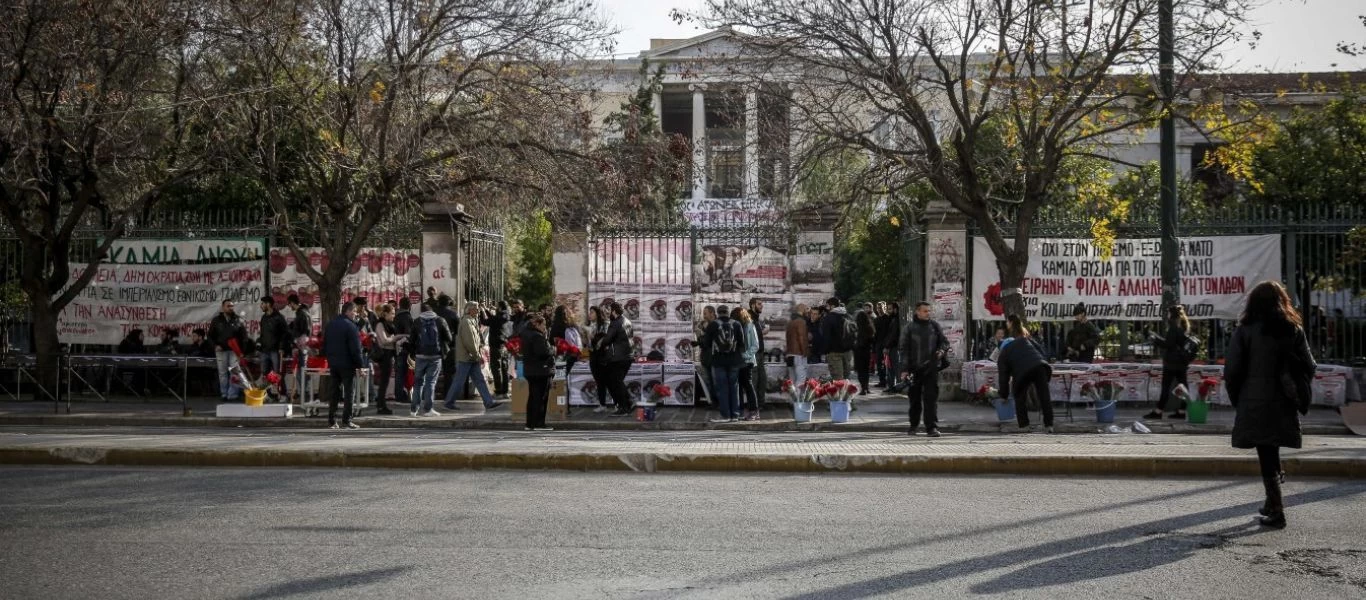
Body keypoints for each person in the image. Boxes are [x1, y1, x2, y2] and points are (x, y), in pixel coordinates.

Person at [1225, 281, 1317, 529]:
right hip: (1283, 400)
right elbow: (1310, 365)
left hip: (1254, 399)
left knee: (1265, 451)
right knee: (1271, 448)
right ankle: (1270, 502)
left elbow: (1232, 370)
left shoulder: (1245, 330)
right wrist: (1295, 387)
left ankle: (1277, 510)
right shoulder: (1293, 329)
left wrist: (1238, 398)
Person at [998, 314, 1055, 433]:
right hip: (1040, 366)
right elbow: (1041, 352)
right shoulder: (1025, 340)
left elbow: (1003, 377)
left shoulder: (1004, 353)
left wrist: (1003, 395)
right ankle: (1049, 425)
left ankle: (1024, 425)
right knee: (1044, 396)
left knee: (1019, 396)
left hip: (1023, 372)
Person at [899, 301, 949, 437]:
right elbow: (903, 350)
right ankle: (913, 426)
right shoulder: (909, 328)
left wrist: (941, 351)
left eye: (929, 311)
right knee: (914, 399)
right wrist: (904, 369)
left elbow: (944, 342)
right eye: (925, 311)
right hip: (914, 370)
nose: (928, 313)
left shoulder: (934, 326)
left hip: (931, 368)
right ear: (918, 312)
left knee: (931, 399)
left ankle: (931, 427)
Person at [445, 301, 499, 411]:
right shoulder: (466, 322)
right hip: (467, 357)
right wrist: (477, 354)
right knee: (459, 381)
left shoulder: (472, 321)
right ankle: (449, 402)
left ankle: (488, 402)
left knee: (479, 380)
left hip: (472, 357)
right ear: (469, 310)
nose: (478, 310)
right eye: (475, 308)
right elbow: (469, 342)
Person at [322, 302, 366, 429]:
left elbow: (325, 345)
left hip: (333, 364)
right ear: (348, 311)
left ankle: (332, 420)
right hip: (347, 364)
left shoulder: (331, 325)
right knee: (349, 392)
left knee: (334, 392)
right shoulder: (350, 327)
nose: (356, 314)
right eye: (354, 311)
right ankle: (346, 420)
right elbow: (356, 349)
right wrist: (360, 366)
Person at [1146, 305, 1194, 420]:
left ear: (1171, 315)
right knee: (1183, 387)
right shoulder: (1184, 326)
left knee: (1166, 387)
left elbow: (1169, 344)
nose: (1167, 315)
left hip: (1172, 363)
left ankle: (1158, 411)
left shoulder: (1173, 327)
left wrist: (1155, 339)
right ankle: (1182, 411)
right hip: (1182, 363)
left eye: (1168, 313)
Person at [703, 305, 744, 422]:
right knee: (734, 387)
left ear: (717, 313)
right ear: (728, 312)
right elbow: (742, 343)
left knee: (722, 388)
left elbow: (706, 344)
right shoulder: (737, 324)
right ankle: (735, 414)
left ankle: (725, 415)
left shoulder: (713, 325)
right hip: (734, 361)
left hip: (719, 361)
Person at [411, 301, 452, 417]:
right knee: (431, 382)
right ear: (432, 310)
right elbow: (449, 338)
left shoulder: (417, 321)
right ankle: (428, 410)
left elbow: (412, 340)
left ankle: (414, 410)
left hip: (420, 356)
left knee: (418, 383)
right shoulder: (440, 320)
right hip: (435, 356)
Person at [520, 313, 556, 431]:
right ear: (537, 324)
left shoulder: (526, 334)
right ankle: (538, 423)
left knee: (533, 397)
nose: (545, 327)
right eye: (543, 325)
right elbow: (543, 352)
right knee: (540, 398)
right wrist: (552, 349)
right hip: (540, 371)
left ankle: (530, 423)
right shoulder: (537, 336)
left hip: (531, 370)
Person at [208, 300, 248, 402]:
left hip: (234, 351)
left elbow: (244, 336)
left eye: (232, 306)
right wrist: (215, 346)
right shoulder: (216, 320)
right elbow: (210, 336)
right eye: (228, 306)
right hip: (220, 351)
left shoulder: (237, 319)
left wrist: (242, 351)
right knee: (222, 373)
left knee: (234, 373)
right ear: (223, 308)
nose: (231, 308)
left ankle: (232, 395)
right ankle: (224, 393)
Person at [602, 302, 636, 416]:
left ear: (614, 311)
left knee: (615, 382)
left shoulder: (615, 323)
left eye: (610, 311)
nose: (608, 313)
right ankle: (628, 404)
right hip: (628, 356)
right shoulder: (627, 321)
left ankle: (624, 407)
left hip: (618, 358)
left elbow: (607, 340)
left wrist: (601, 341)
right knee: (618, 382)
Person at [257, 297, 291, 402]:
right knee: (265, 373)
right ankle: (268, 394)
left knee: (277, 373)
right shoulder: (263, 318)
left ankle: (282, 394)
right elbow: (262, 334)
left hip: (275, 350)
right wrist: (259, 343)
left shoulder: (279, 318)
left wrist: (281, 347)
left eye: (263, 303)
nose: (261, 305)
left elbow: (285, 334)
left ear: (268, 304)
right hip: (264, 350)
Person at [370, 304, 399, 415]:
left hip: (389, 354)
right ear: (385, 313)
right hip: (384, 355)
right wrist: (396, 338)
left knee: (385, 381)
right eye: (392, 313)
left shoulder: (388, 325)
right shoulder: (380, 324)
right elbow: (384, 341)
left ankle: (382, 404)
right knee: (384, 381)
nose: (393, 316)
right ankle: (381, 405)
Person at [286, 294, 313, 402]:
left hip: (302, 345)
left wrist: (298, 343)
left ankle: (303, 395)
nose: (289, 306)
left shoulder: (302, 314)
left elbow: (305, 331)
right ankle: (303, 394)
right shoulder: (302, 313)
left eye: (289, 304)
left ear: (293, 303)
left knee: (302, 370)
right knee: (301, 370)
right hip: (302, 345)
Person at [483, 301, 513, 398]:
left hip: (496, 345)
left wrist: (482, 311)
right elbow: (493, 319)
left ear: (499, 307)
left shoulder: (499, 317)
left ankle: (499, 390)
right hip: (504, 344)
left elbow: (486, 322)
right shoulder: (506, 316)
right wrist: (487, 311)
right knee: (504, 368)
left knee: (496, 368)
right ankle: (505, 390)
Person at [820, 297, 855, 379]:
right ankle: (846, 392)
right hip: (848, 351)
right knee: (846, 379)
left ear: (832, 306)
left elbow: (826, 337)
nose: (826, 308)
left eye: (827, 306)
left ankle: (840, 392)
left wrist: (825, 351)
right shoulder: (848, 315)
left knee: (837, 379)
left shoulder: (828, 318)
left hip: (834, 352)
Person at [736, 308, 761, 421]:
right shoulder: (739, 326)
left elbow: (755, 345)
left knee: (748, 385)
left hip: (747, 360)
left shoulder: (750, 326)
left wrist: (745, 355)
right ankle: (742, 411)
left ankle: (754, 410)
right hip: (740, 361)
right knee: (740, 387)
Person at [587, 306, 612, 413]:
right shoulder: (590, 326)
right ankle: (602, 404)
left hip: (603, 357)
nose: (590, 314)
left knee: (608, 381)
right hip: (593, 356)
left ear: (597, 314)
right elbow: (589, 345)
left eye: (592, 312)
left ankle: (621, 402)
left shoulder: (605, 325)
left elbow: (606, 341)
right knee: (599, 381)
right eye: (589, 312)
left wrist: (595, 339)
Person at [392, 297, 414, 409]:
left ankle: (399, 394)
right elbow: (409, 334)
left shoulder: (396, 316)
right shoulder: (407, 317)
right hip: (404, 349)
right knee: (402, 372)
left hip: (396, 348)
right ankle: (400, 395)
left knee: (399, 372)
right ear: (409, 306)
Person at [694, 305, 718, 405]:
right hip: (706, 357)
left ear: (712, 313)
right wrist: (699, 335)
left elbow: (713, 341)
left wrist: (703, 333)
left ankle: (718, 402)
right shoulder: (703, 324)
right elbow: (703, 342)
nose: (703, 315)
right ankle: (712, 401)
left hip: (715, 358)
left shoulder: (716, 324)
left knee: (715, 381)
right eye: (703, 313)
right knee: (708, 381)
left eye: (705, 313)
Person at [551, 305, 583, 375]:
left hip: (560, 355)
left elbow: (552, 340)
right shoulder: (569, 325)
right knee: (571, 375)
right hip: (572, 354)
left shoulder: (554, 326)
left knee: (561, 376)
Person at [748, 298, 767, 405]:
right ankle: (753, 405)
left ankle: (760, 403)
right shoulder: (749, 318)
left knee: (762, 379)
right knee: (754, 379)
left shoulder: (756, 318)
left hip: (759, 353)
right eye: (759, 304)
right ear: (752, 305)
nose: (761, 306)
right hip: (753, 354)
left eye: (762, 304)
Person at [855, 303, 877, 395]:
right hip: (867, 351)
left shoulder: (856, 329)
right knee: (866, 370)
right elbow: (873, 339)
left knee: (860, 370)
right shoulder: (869, 328)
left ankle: (863, 388)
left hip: (858, 351)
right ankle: (866, 387)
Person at [785, 304, 810, 383]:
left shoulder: (790, 323)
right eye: (806, 309)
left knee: (792, 380)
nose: (808, 312)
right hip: (799, 355)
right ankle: (799, 396)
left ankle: (793, 395)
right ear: (802, 310)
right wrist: (805, 353)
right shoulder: (801, 322)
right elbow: (801, 337)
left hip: (789, 355)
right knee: (801, 380)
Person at [881, 302, 902, 391]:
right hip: (891, 346)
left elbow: (893, 335)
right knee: (889, 367)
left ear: (895, 309)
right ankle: (891, 386)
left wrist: (887, 346)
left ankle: (898, 386)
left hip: (894, 347)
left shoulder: (896, 320)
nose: (888, 311)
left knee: (895, 367)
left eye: (890, 309)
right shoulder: (891, 319)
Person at [873, 302, 894, 386]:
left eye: (881, 307)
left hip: (886, 344)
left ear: (884, 307)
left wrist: (887, 344)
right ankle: (882, 381)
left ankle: (889, 381)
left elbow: (890, 332)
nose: (879, 309)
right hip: (878, 344)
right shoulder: (876, 319)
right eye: (878, 308)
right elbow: (875, 333)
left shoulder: (888, 318)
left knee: (887, 364)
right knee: (879, 363)